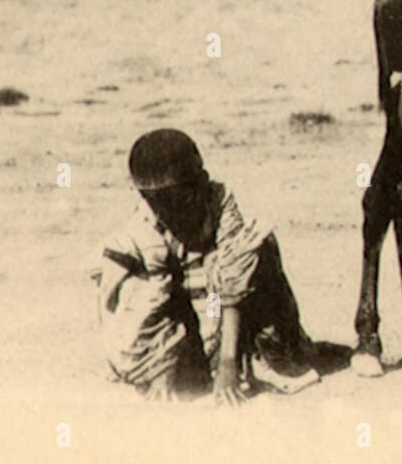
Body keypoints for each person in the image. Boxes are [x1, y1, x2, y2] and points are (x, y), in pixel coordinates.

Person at [95, 129, 319, 406]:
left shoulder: (220, 201)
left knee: (257, 247)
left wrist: (227, 363)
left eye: (177, 198)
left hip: (223, 309)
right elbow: (153, 299)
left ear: (199, 183)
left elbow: (233, 276)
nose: (168, 209)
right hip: (182, 322)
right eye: (157, 201)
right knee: (127, 270)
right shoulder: (143, 227)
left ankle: (261, 355)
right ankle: (161, 364)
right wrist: (159, 368)